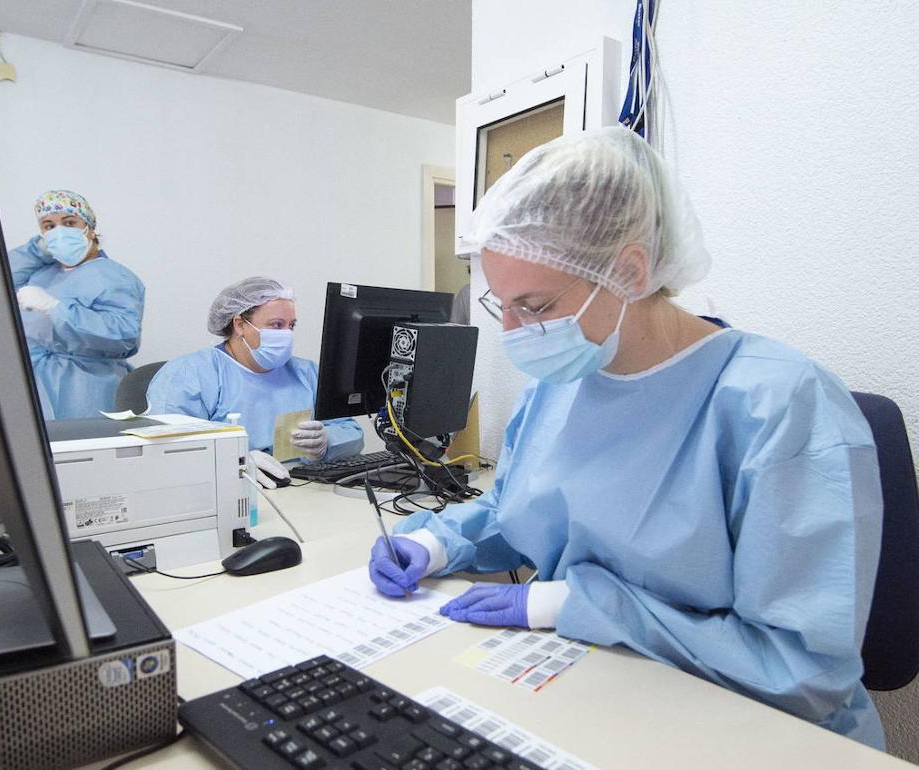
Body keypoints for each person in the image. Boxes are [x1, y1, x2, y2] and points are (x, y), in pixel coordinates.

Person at [367, 126, 885, 748]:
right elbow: (523, 509)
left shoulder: (782, 406)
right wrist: (438, 542)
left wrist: (577, 606)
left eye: (532, 306)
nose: (512, 331)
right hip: (591, 687)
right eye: (498, 303)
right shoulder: (562, 382)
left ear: (630, 271)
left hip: (757, 731)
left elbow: (799, 669)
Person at [146, 277, 364, 488]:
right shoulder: (188, 375)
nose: (286, 334)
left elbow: (351, 431)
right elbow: (166, 449)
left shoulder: (305, 373)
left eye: (291, 326)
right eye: (276, 325)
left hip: (302, 489)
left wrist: (327, 442)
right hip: (224, 494)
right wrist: (232, 462)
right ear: (240, 324)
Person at [9, 190, 144, 419]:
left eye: (69, 222)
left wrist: (56, 309)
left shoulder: (113, 277)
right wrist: (37, 251)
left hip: (85, 389)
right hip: (36, 385)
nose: (59, 231)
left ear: (89, 228)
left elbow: (124, 335)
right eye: (49, 226)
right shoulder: (42, 273)